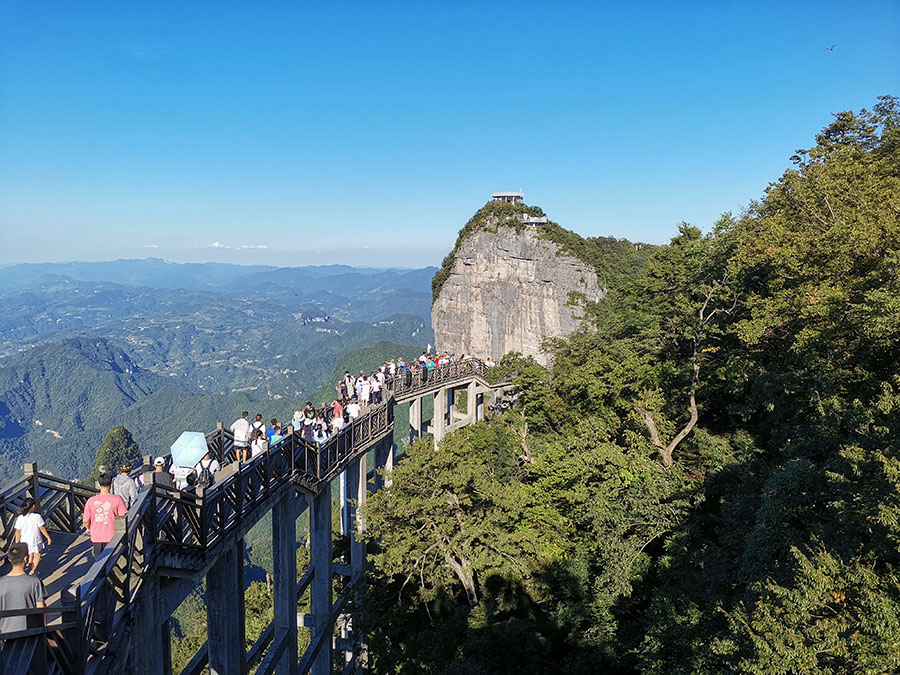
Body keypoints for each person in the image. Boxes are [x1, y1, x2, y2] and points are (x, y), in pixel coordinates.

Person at [0, 543, 47, 644]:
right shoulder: (34, 581)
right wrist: (43, 630)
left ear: (9, 560)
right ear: (26, 558)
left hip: (5, 634)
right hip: (29, 633)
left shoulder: (1, 583)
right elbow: (41, 608)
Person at [83, 473, 127, 557]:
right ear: (111, 484)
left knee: (98, 561)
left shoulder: (91, 501)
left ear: (99, 484)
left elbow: (85, 520)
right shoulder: (117, 499)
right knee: (113, 560)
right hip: (113, 536)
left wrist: (88, 528)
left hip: (96, 536)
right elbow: (123, 516)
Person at [13, 498, 51, 576]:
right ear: (33, 506)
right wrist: (48, 537)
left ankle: (26, 568)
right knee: (37, 554)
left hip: (24, 541)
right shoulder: (36, 517)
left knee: (28, 555)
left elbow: (18, 531)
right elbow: (42, 528)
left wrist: (17, 543)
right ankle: (32, 571)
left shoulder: (20, 518)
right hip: (35, 540)